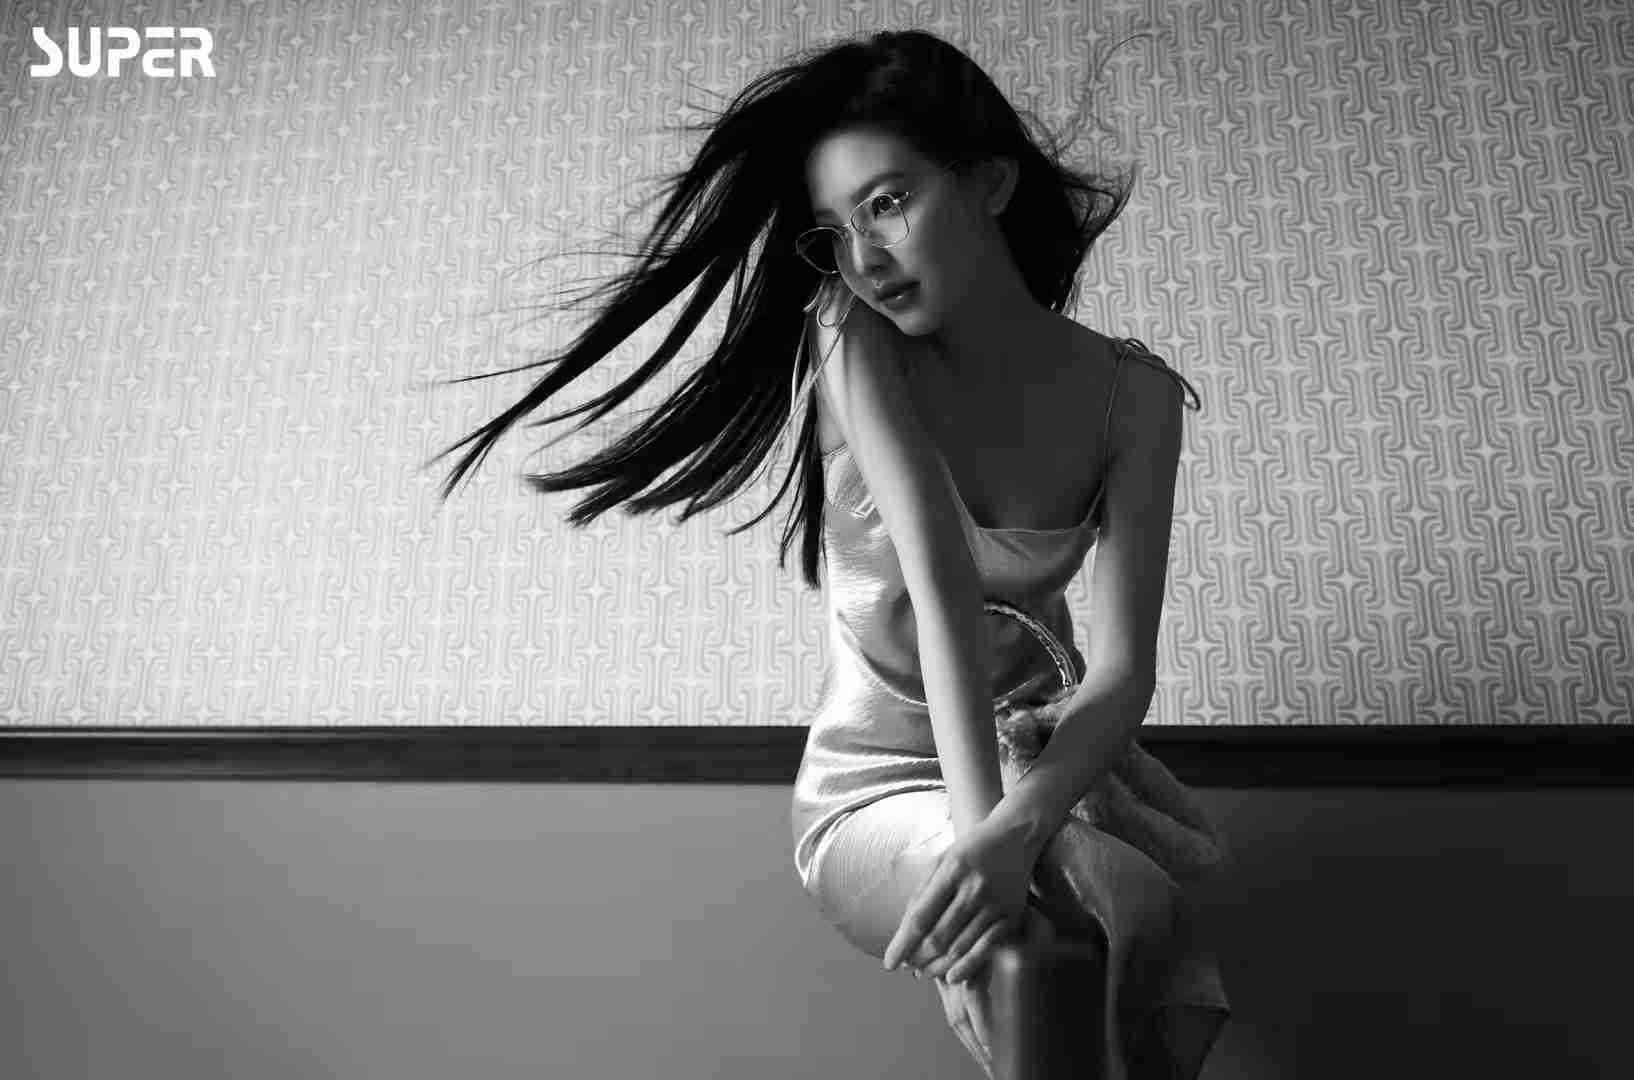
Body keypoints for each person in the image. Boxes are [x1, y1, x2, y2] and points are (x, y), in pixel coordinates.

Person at [428, 28, 1229, 1080]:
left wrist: (1013, 826)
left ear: (989, 182)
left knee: (1129, 914)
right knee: (1038, 941)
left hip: (1041, 764)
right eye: (833, 231)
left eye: (888, 203)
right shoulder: (849, 332)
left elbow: (1122, 670)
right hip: (873, 779)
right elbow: (942, 588)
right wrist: (986, 848)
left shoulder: (1136, 396)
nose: (863, 258)